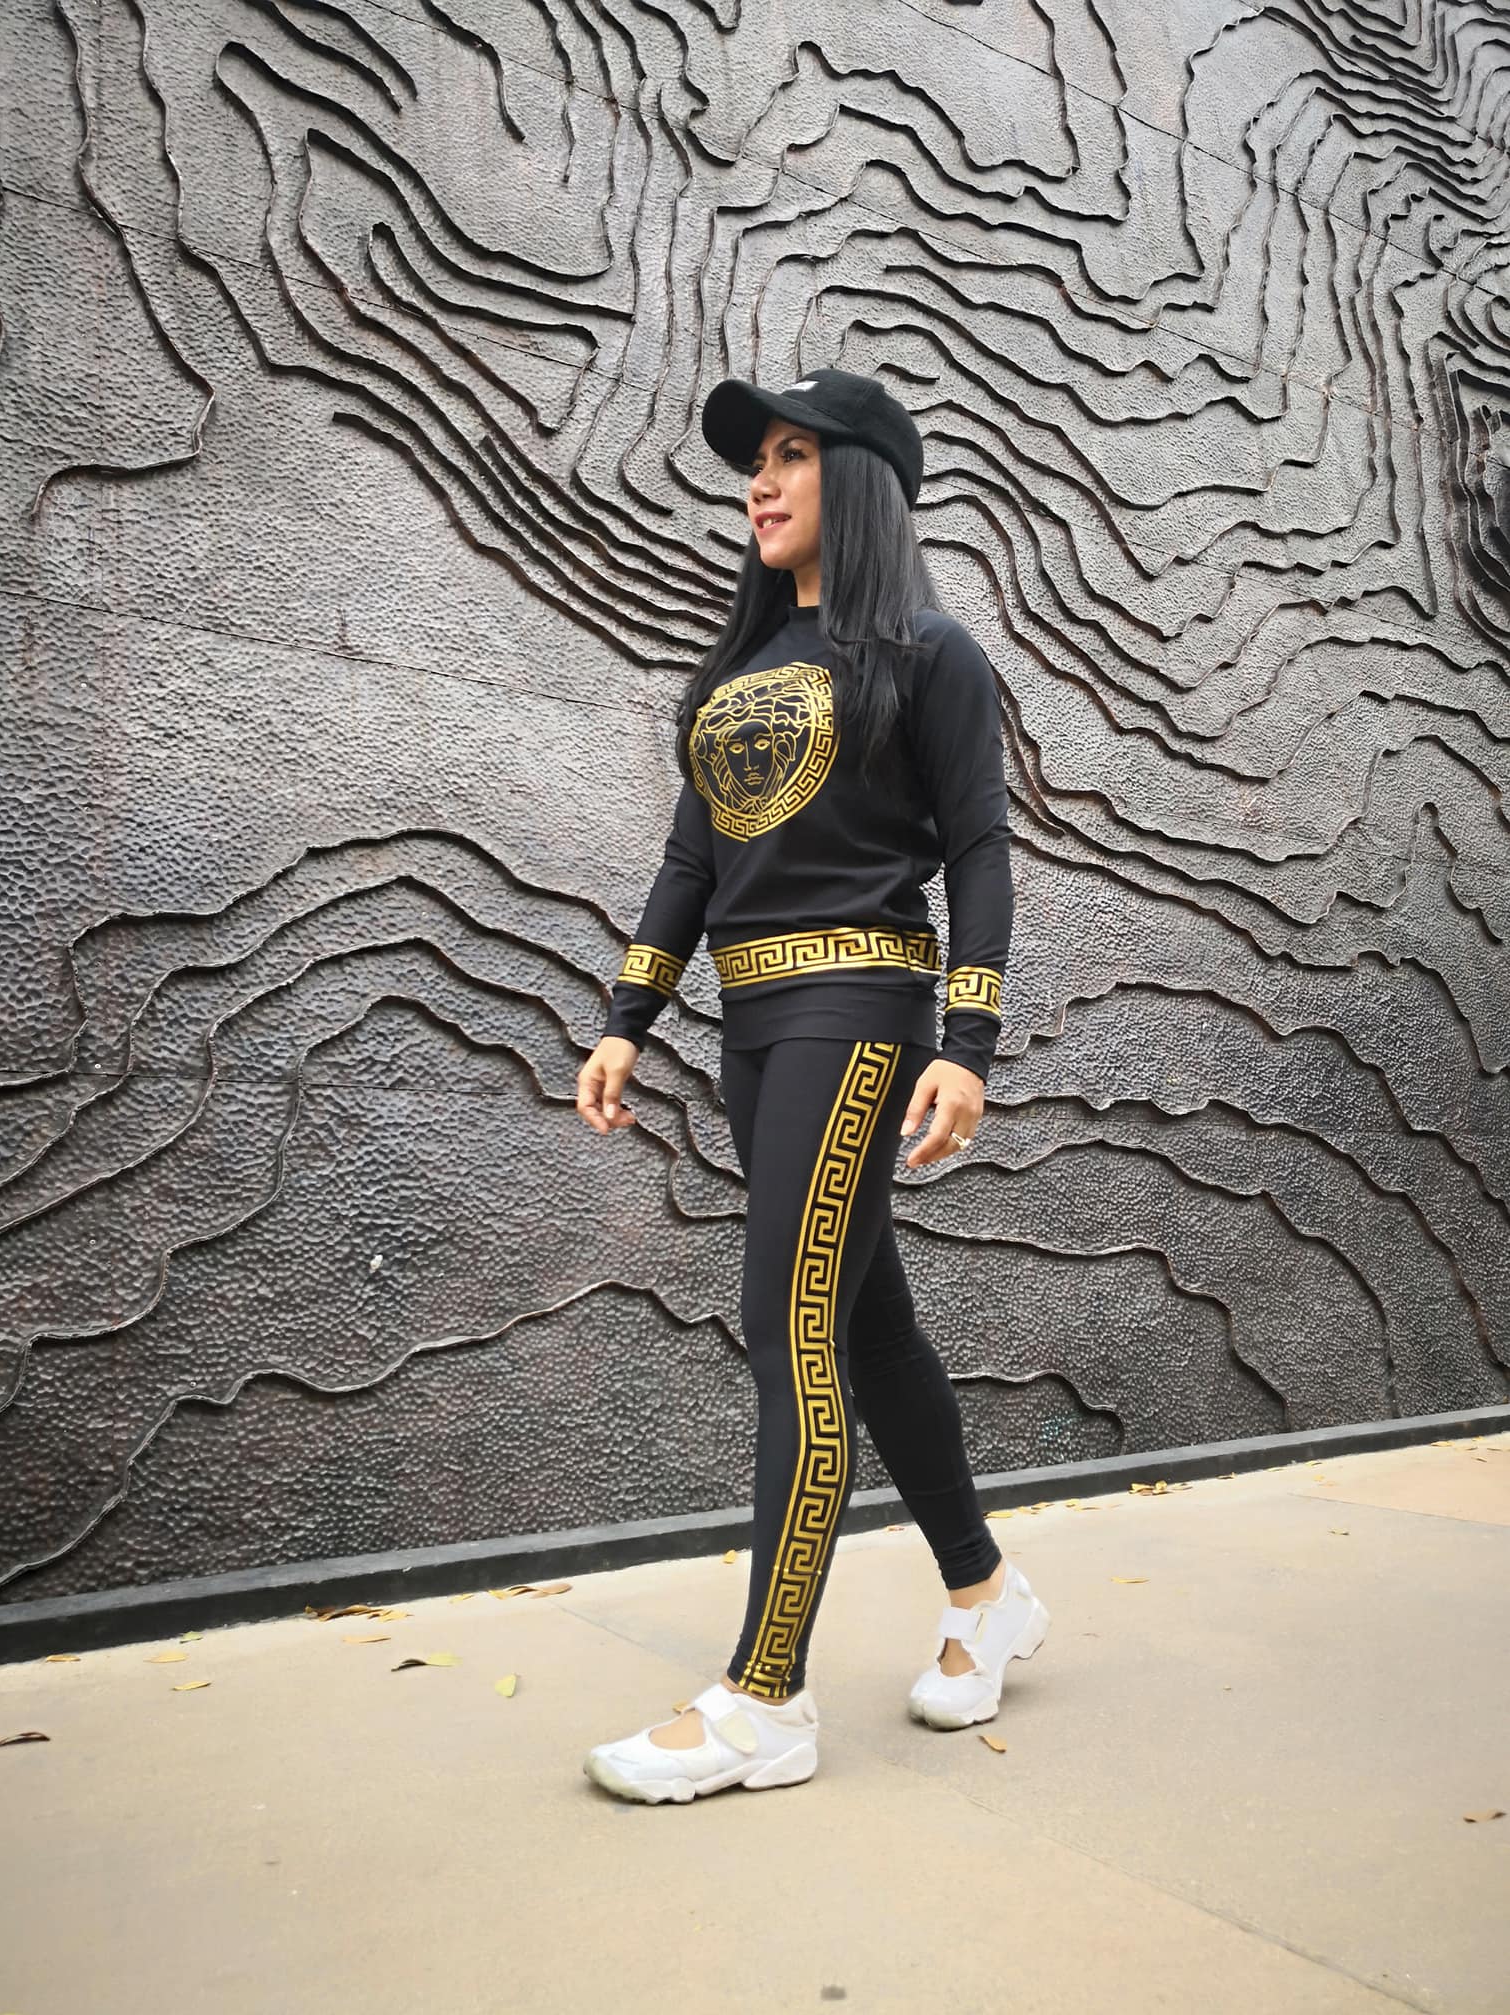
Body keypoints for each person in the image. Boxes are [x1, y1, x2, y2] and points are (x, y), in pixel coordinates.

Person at [575, 366, 1050, 1805]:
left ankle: (766, 1699)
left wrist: (967, 1043)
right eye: (756, 461)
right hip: (754, 1022)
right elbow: (691, 860)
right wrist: (628, 1016)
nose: (761, 482)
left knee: (790, 1324)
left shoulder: (930, 652)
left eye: (793, 454)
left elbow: (979, 850)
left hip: (859, 1012)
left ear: (864, 481)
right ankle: (986, 1594)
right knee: (871, 1322)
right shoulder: (736, 669)